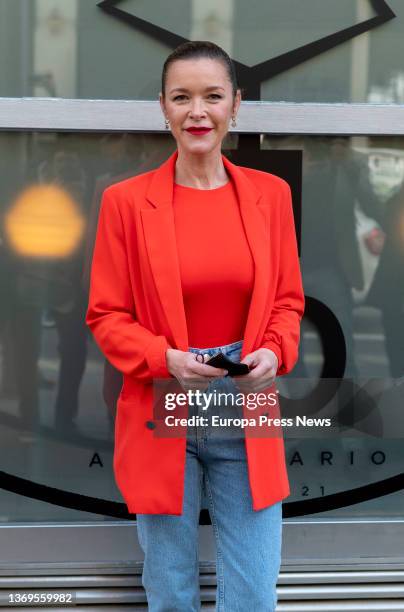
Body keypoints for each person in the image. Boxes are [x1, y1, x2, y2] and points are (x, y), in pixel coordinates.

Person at [86, 40, 304, 612]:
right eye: (182, 98)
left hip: (244, 398)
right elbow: (106, 314)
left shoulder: (270, 196)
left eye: (212, 96)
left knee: (255, 593)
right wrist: (166, 360)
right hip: (164, 398)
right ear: (163, 107)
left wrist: (274, 353)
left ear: (237, 104)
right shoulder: (125, 203)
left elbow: (287, 300)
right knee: (172, 591)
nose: (197, 112)